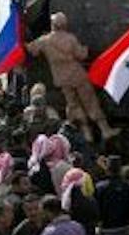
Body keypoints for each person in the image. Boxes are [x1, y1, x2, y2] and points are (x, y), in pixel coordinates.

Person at [28, 12, 109, 142]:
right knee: (90, 102)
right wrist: (86, 49)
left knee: (73, 104)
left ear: (52, 25)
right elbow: (81, 55)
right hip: (76, 74)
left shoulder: (44, 40)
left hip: (61, 78)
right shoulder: (70, 38)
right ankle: (104, 129)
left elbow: (32, 50)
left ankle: (86, 132)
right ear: (64, 25)